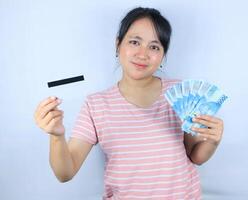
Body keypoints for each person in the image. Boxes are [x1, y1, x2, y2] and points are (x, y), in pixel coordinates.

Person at [34, 7, 224, 200]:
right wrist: (56, 136)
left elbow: (196, 156)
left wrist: (213, 141)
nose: (142, 54)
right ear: (118, 45)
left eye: (154, 47)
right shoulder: (96, 105)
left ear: (162, 55)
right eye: (134, 42)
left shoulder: (181, 93)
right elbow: (65, 173)